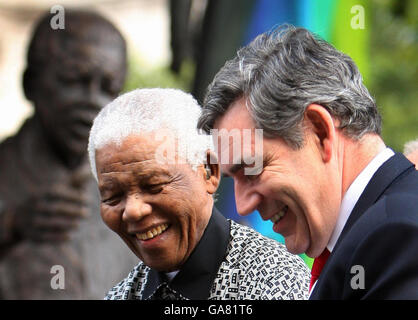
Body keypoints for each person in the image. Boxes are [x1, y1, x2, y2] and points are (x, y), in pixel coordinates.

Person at [197, 26, 418, 299]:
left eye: (251, 169)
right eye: (234, 178)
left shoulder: (398, 238)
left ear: (320, 131)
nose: (243, 205)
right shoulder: (371, 235)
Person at [87, 88, 310, 300]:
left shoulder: (275, 280)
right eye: (113, 197)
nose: (133, 211)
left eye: (154, 185)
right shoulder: (123, 294)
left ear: (209, 171)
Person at [0, 10, 138, 299]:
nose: (91, 101)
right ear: (31, 83)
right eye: (74, 80)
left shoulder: (131, 191)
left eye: (108, 88)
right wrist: (11, 227)